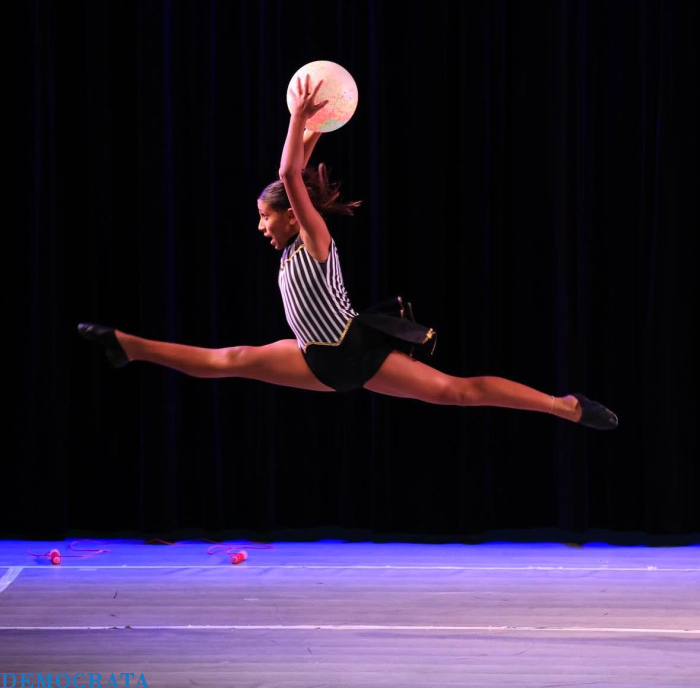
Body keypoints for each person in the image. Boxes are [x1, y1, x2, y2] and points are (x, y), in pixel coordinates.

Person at [78, 75, 617, 431]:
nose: (260, 226)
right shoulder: (293, 244)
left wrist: (298, 117)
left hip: (352, 350)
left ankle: (564, 406)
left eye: (266, 216)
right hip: (314, 356)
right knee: (230, 360)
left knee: (457, 393)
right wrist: (314, 128)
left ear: (293, 216)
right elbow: (294, 172)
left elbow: (289, 174)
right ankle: (127, 346)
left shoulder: (315, 239)